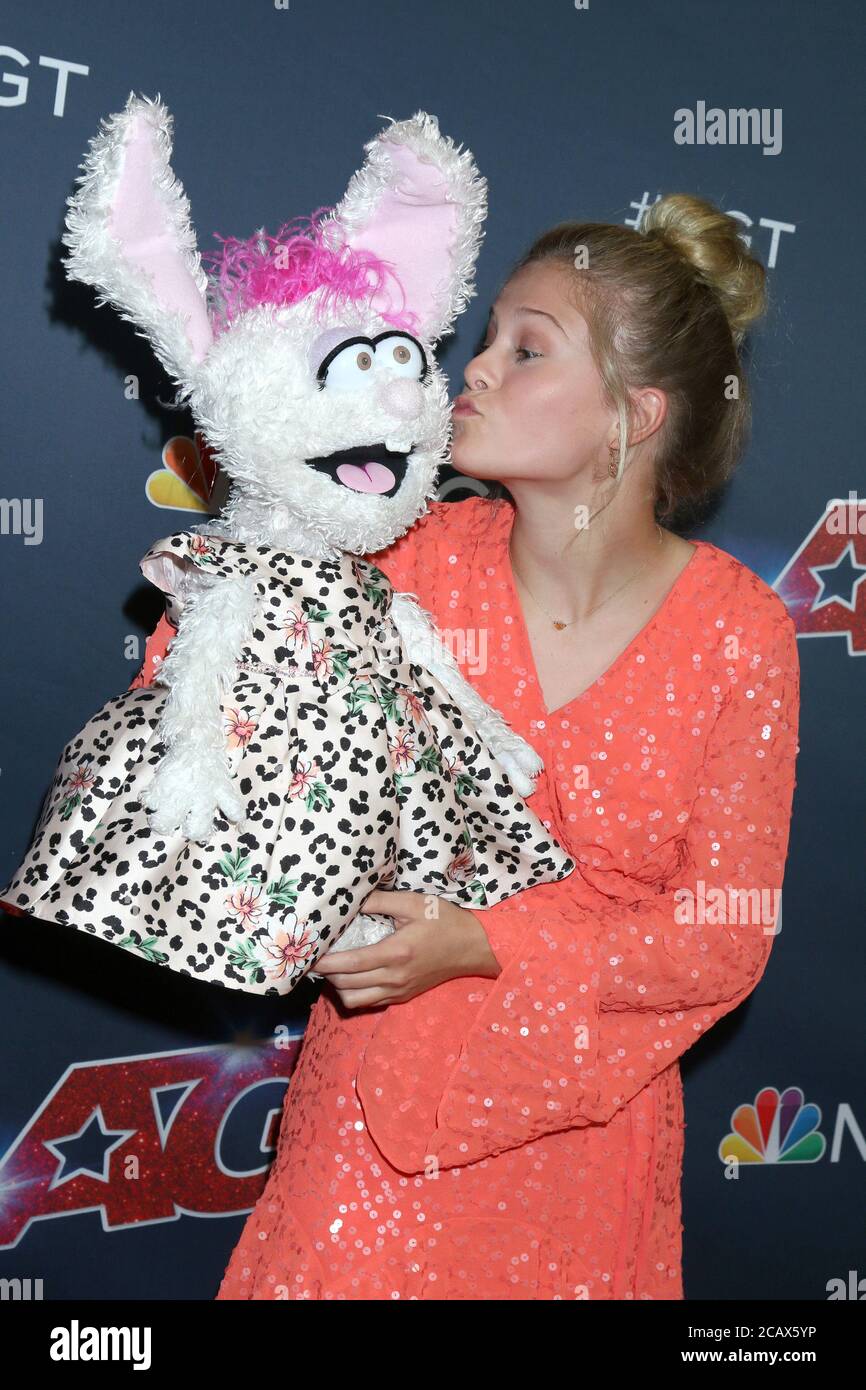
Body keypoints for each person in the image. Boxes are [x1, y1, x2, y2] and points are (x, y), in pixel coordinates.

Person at [130, 193, 801, 1300]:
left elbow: (719, 940)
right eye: (483, 337)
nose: (471, 369)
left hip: (586, 1145)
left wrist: (487, 943)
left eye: (523, 348)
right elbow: (208, 695)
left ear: (632, 417)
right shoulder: (407, 558)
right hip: (366, 1134)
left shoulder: (738, 632)